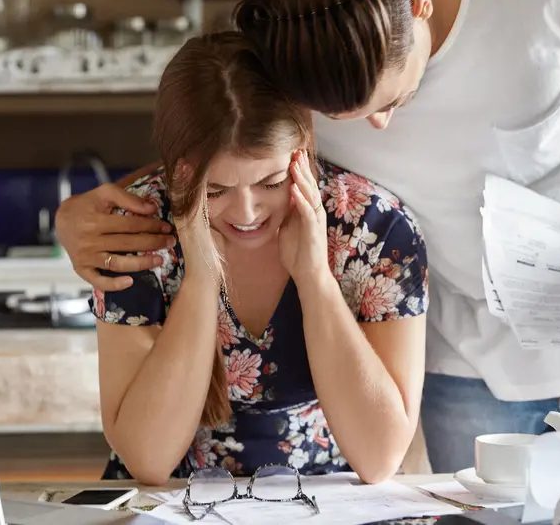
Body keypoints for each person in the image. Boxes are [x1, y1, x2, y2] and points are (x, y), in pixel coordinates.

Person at [57, 0, 560, 473]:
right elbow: (228, 134)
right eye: (343, 117)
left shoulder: (546, 7)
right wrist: (82, 215)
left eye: (389, 102)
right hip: (472, 360)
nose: (373, 130)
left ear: (420, 7)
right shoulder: (302, 51)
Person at [90, 31, 429, 485]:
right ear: (177, 172)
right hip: (174, 500)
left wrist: (315, 279)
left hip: (324, 499)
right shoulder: (136, 232)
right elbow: (147, 461)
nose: (247, 213)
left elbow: (380, 457)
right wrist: (201, 277)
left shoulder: (376, 230)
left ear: (303, 149)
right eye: (215, 190)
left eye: (270, 182)